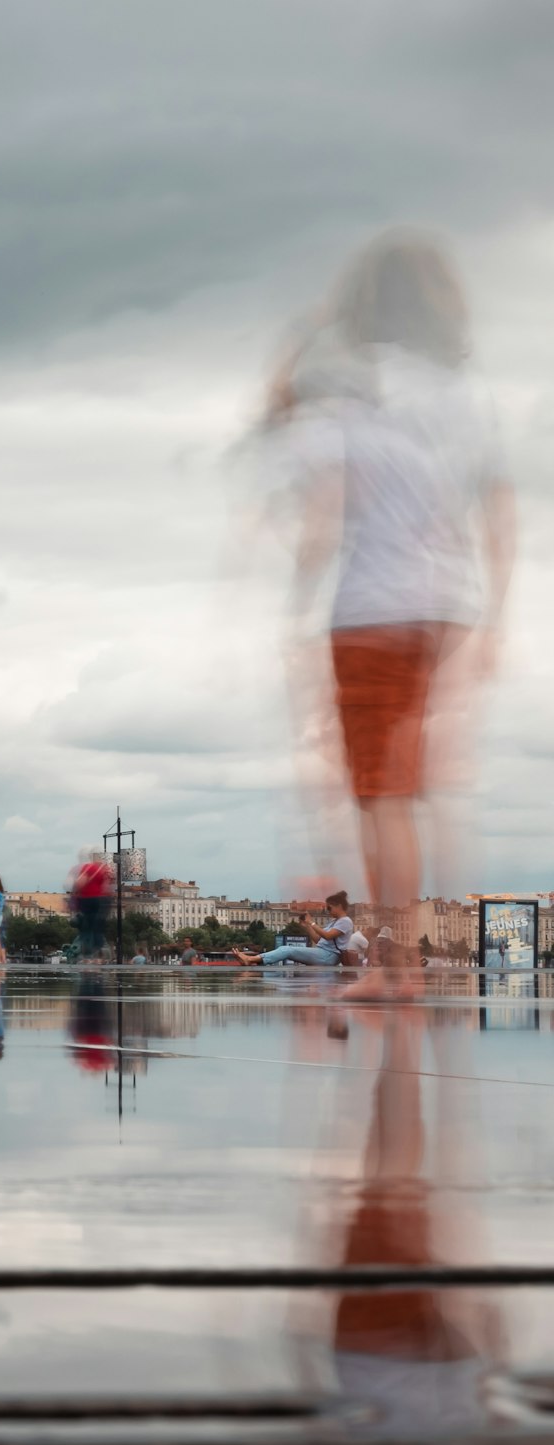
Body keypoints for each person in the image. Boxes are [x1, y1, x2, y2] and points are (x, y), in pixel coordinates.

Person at [266, 230, 515, 960]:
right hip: (448, 606)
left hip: (371, 607)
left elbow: (312, 487)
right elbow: (498, 508)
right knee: (427, 787)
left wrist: (307, 332)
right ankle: (420, 946)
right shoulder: (469, 396)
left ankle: (393, 964)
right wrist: (498, 614)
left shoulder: (354, 389)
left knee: (379, 797)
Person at [235, 891, 353, 967]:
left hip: (329, 956)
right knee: (286, 950)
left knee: (287, 950)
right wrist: (307, 926)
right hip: (324, 954)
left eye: (329, 907)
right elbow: (318, 940)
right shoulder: (335, 921)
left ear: (339, 906)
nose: (327, 910)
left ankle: (250, 959)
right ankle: (253, 960)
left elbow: (327, 936)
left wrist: (312, 922)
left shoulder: (345, 921)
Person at [69, 850, 113, 963]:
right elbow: (108, 887)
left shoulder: (89, 868)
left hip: (89, 899)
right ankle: (99, 956)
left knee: (87, 928)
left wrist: (73, 894)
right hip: (103, 901)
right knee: (98, 928)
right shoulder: (106, 869)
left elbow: (80, 883)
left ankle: (87, 956)